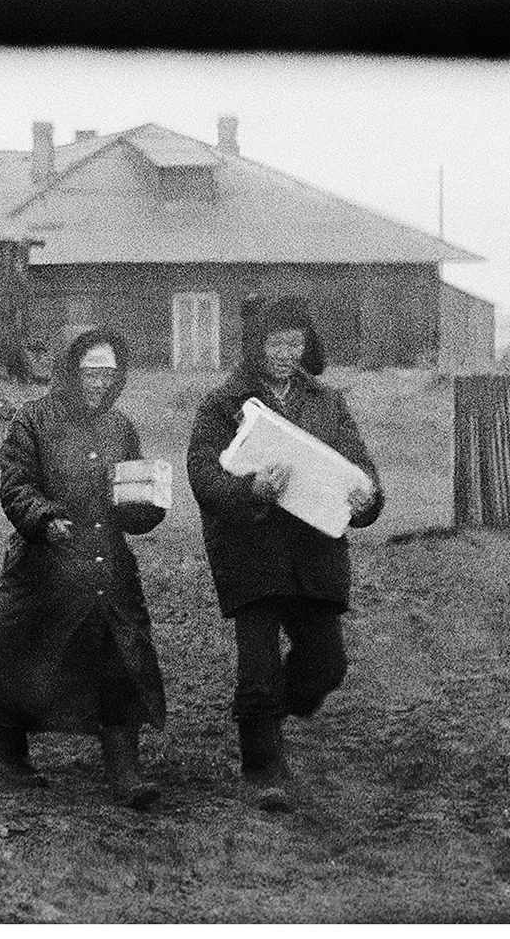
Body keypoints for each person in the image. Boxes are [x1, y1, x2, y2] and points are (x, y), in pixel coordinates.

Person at [186, 295, 384, 812]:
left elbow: (358, 468)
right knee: (257, 668)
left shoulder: (327, 402)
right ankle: (263, 768)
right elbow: (203, 476)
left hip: (314, 552)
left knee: (327, 664)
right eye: (276, 342)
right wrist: (251, 488)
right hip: (251, 551)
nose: (285, 352)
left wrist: (368, 496)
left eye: (295, 342)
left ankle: (272, 709)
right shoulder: (223, 405)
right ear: (256, 346)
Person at [0, 327, 167, 809]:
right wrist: (45, 518)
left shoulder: (121, 426)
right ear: (70, 369)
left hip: (107, 566)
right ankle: (11, 756)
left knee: (121, 657)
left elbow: (130, 491)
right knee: (24, 655)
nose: (99, 380)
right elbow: (16, 486)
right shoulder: (32, 419)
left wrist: (147, 506)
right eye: (91, 370)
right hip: (45, 566)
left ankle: (125, 770)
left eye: (108, 371)